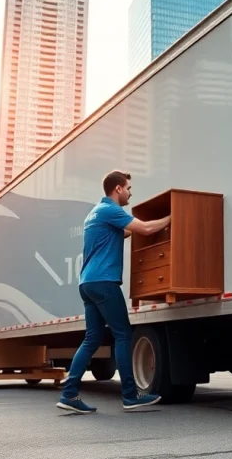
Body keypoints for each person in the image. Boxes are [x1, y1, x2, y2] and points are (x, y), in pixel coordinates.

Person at [57, 170, 172, 414]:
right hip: (104, 282)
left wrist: (138, 227)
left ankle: (69, 394)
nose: (131, 192)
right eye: (129, 188)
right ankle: (130, 396)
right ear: (118, 189)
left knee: (91, 339)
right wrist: (172, 218)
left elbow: (127, 231)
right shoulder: (111, 210)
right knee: (123, 336)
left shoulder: (95, 213)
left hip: (87, 284)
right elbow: (147, 229)